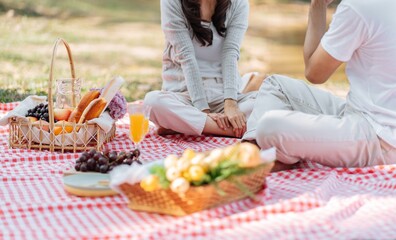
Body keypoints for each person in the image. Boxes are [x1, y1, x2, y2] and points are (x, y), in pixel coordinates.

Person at [243, 0, 396, 169]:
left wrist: (318, 5)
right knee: (275, 85)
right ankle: (256, 149)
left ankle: (263, 157)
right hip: (360, 114)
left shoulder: (358, 7)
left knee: (269, 125)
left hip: (381, 139)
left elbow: (315, 73)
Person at [144, 0, 257, 138]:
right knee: (153, 102)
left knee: (273, 101)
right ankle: (235, 129)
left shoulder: (238, 3)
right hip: (185, 95)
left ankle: (188, 125)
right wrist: (204, 111)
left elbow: (230, 53)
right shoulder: (172, 2)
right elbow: (186, 56)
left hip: (224, 96)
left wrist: (231, 104)